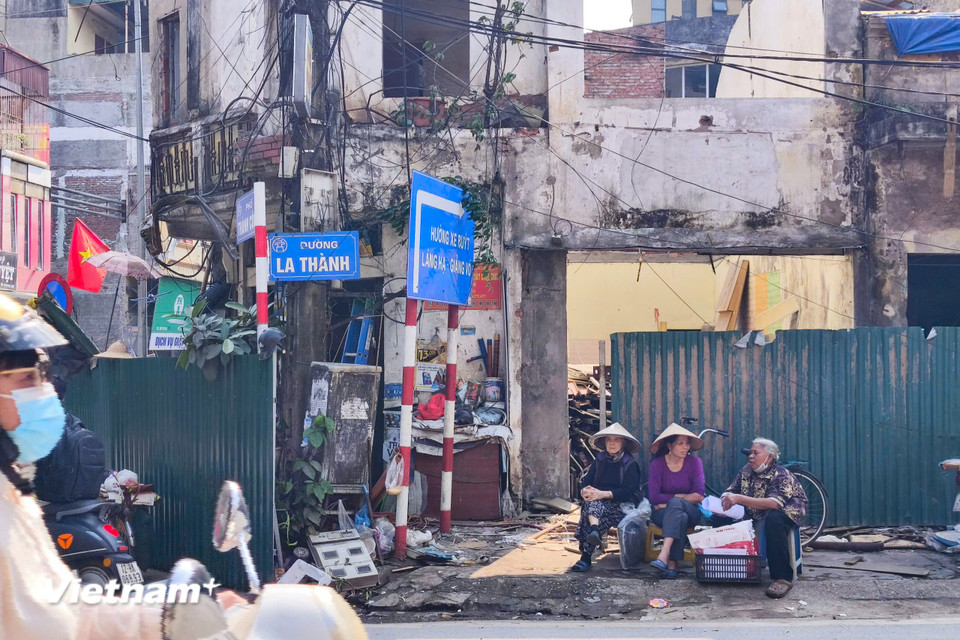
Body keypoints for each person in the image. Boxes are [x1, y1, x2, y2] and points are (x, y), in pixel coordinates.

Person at [0, 293, 163, 639]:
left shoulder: (14, 496)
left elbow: (64, 614)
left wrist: (162, 618)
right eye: (27, 378)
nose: (42, 391)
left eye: (42, 375)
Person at [721, 437, 808, 599]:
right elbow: (732, 490)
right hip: (756, 510)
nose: (751, 456)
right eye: (750, 453)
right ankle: (730, 567)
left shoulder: (781, 474)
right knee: (720, 516)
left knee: (774, 520)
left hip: (786, 510)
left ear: (769, 457)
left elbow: (774, 503)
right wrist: (725, 500)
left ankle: (782, 578)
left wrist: (739, 499)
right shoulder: (746, 471)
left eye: (756, 453)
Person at [568, 423, 643, 572]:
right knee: (590, 504)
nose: (612, 443)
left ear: (623, 443)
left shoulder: (630, 464)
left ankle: (586, 557)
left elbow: (629, 491)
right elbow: (586, 482)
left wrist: (603, 494)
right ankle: (594, 531)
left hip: (622, 506)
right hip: (599, 504)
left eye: (616, 440)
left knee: (589, 510)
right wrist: (585, 492)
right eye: (609, 440)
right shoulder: (600, 460)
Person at [647, 423, 705, 578]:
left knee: (677, 505)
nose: (685, 447)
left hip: (691, 510)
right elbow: (653, 497)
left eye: (687, 443)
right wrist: (682, 497)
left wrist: (668, 502)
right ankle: (672, 564)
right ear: (669, 445)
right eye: (680, 443)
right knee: (680, 516)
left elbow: (699, 495)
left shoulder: (695, 463)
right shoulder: (657, 464)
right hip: (662, 514)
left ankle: (664, 554)